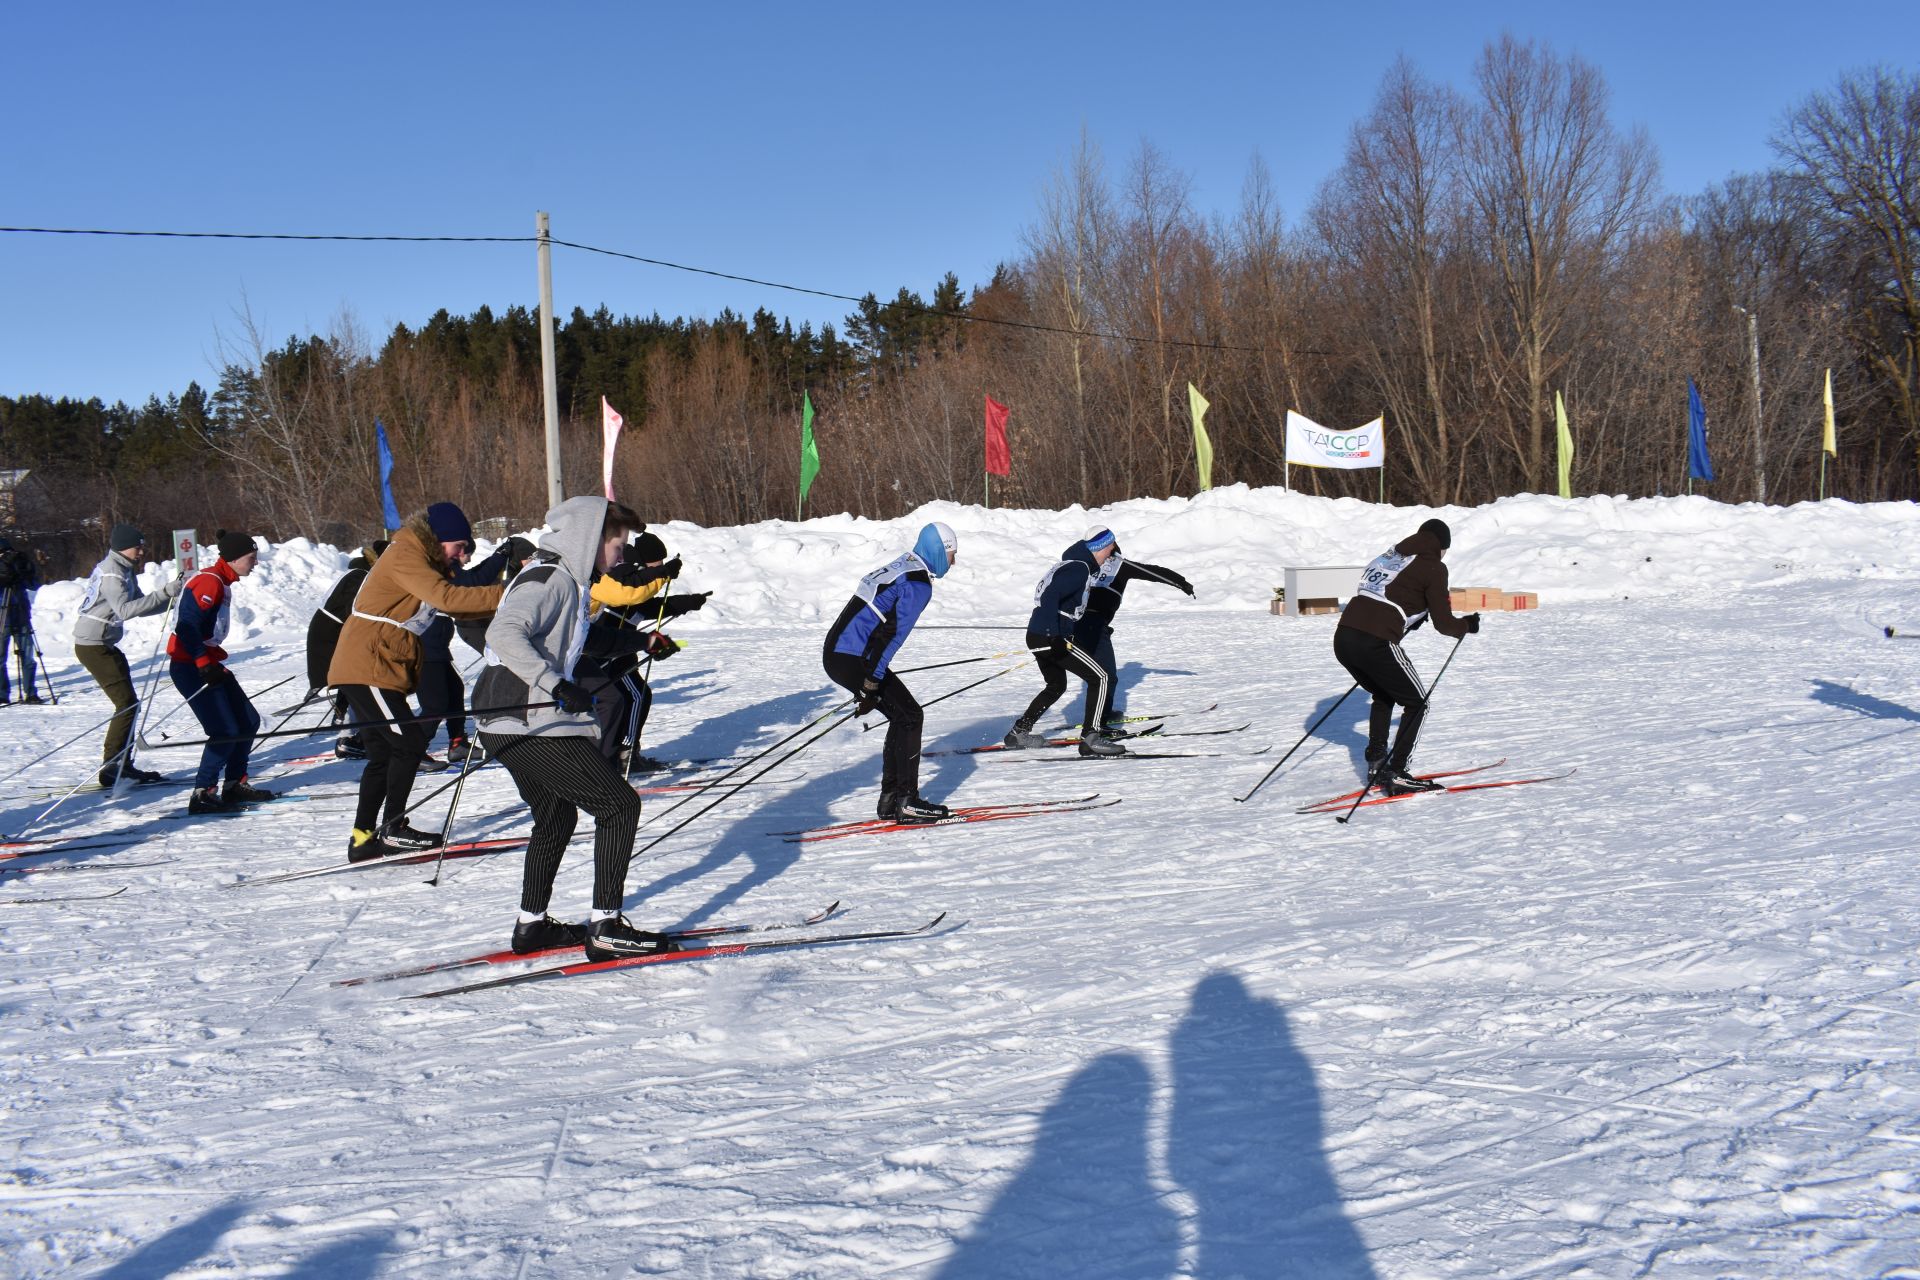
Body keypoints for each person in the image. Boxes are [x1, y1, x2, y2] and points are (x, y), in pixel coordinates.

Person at [473, 496, 671, 960]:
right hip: (525, 714)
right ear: (591, 538)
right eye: (617, 544)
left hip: (508, 717)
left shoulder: (568, 581)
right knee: (619, 805)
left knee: (557, 816)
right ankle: (605, 926)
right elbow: (504, 634)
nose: (621, 555)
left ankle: (532, 926)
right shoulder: (549, 579)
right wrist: (555, 684)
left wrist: (640, 639)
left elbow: (581, 637)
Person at [327, 502, 503, 861]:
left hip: (379, 666)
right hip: (367, 664)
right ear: (442, 539)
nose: (464, 557)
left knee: (382, 754)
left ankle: (363, 838)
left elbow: (459, 600)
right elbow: (449, 597)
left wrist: (509, 599)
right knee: (407, 743)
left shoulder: (422, 559)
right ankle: (393, 828)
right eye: (461, 548)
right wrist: (513, 594)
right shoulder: (406, 554)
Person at [822, 521, 958, 821]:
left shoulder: (902, 566)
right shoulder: (917, 583)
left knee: (902, 715)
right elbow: (892, 635)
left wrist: (869, 679)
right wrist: (871, 681)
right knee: (910, 716)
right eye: (952, 554)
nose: (954, 561)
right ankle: (906, 800)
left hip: (839, 653)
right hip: (854, 657)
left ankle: (891, 800)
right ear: (940, 551)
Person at [1333, 517, 1479, 795]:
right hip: (1375, 640)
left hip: (1344, 637)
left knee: (1385, 694)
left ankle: (1377, 761)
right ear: (1442, 546)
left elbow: (1388, 597)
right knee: (1417, 703)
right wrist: (1467, 626)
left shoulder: (1392, 557)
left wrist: (1412, 617)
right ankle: (1396, 773)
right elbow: (1445, 625)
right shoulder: (1435, 567)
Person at [577, 532, 710, 771]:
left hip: (622, 647)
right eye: (655, 563)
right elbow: (632, 596)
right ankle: (622, 754)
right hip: (607, 650)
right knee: (634, 696)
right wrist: (662, 575)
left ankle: (622, 751)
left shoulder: (632, 574)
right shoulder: (621, 574)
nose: (659, 567)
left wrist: (686, 603)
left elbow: (644, 607)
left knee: (633, 697)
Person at [168, 531, 274, 814]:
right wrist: (202, 662)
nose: (255, 563)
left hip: (207, 663)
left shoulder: (220, 582)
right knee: (224, 730)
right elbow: (187, 626)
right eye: (251, 558)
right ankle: (203, 792)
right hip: (190, 666)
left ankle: (234, 786)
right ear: (234, 558)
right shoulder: (209, 582)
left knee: (248, 721)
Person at [72, 524, 182, 786]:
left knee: (130, 704)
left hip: (103, 643)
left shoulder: (122, 568)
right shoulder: (113, 573)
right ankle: (112, 766)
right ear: (124, 546)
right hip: (93, 644)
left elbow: (141, 606)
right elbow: (124, 610)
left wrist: (172, 600)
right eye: (138, 546)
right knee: (127, 704)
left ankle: (122, 763)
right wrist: (165, 593)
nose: (142, 551)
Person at [1006, 527, 1126, 757]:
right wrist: (1054, 634)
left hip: (1039, 634)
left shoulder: (1072, 564)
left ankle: (1018, 733)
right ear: (1099, 547)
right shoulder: (1078, 568)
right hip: (1050, 635)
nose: (1111, 555)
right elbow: (1051, 596)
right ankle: (1091, 738)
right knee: (1100, 677)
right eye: (1110, 550)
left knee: (1056, 685)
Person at [1070, 526, 1194, 733]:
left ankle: (1100, 716)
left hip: (1077, 623)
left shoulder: (1083, 564)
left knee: (1099, 675)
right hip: (1094, 625)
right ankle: (1098, 724)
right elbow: (1153, 572)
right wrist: (1182, 583)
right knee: (1106, 676)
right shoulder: (1121, 565)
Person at [416, 538, 510, 769]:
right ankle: (412, 751)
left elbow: (470, 576)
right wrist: (499, 557)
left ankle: (457, 744)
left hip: (437, 646)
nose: (467, 559)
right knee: (434, 704)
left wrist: (497, 558)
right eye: (466, 553)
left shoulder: (450, 568)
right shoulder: (439, 567)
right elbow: (472, 582)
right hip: (425, 646)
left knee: (454, 692)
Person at [305, 540, 388, 759]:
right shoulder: (360, 577)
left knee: (355, 683)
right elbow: (358, 614)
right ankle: (348, 738)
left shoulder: (359, 572)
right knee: (357, 682)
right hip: (330, 636)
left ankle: (350, 727)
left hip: (330, 633)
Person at [0, 535, 45, 704]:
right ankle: (3, 693)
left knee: (27, 656)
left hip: (19, 613)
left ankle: (30, 692)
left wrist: (22, 572)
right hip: (6, 615)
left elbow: (33, 584)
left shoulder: (19, 562)